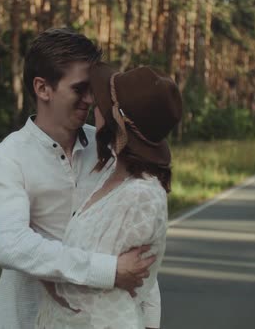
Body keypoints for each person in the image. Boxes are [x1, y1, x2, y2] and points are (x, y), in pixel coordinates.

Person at [0, 28, 158, 329]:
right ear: (43, 88)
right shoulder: (7, 158)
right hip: (25, 320)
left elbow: (139, 254)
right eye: (79, 89)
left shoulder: (110, 153)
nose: (90, 99)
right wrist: (110, 270)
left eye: (92, 88)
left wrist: (150, 321)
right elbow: (11, 244)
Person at [35, 63, 182, 328]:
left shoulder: (142, 196)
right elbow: (94, 271)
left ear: (118, 121)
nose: (92, 101)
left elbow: (92, 295)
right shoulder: (108, 175)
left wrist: (36, 255)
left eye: (102, 100)